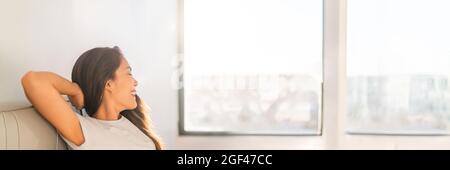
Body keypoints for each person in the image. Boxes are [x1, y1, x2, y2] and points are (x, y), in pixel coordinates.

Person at [21, 46, 163, 150]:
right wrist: (75, 90)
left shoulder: (131, 122)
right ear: (108, 83)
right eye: (129, 73)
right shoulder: (86, 131)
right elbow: (33, 80)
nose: (135, 82)